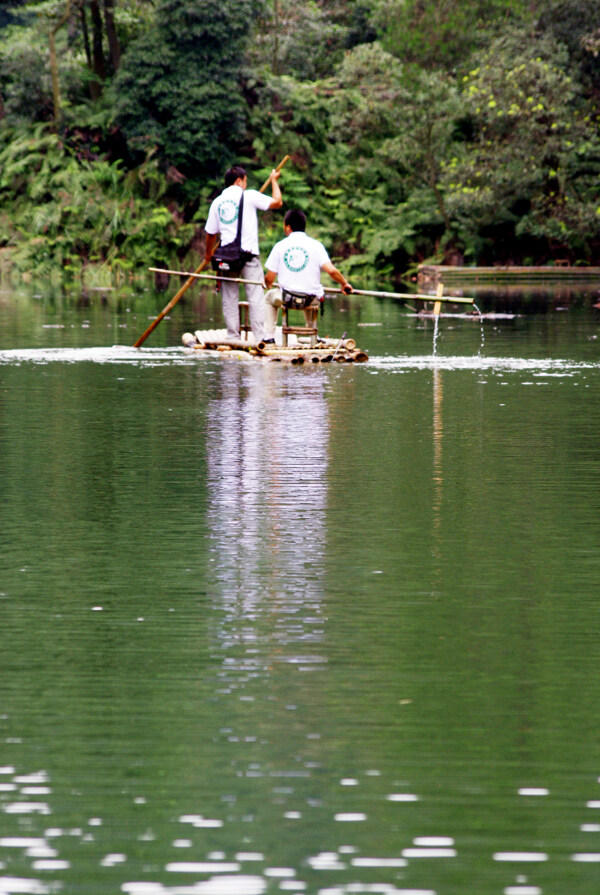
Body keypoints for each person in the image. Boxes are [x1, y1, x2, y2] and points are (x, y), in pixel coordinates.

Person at [204, 165, 282, 342]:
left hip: (226, 258)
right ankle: (261, 337)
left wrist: (208, 254)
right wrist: (274, 181)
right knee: (255, 296)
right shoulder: (250, 196)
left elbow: (211, 234)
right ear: (239, 180)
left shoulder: (217, 202)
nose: (246, 185)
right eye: (245, 181)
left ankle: (233, 336)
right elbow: (278, 202)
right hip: (248, 257)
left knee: (229, 298)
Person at [262, 209, 353, 343]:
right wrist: (344, 284)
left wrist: (267, 284)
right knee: (310, 292)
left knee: (269, 297)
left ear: (288, 227)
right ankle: (313, 335)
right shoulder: (316, 245)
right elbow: (332, 271)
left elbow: (270, 278)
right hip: (310, 299)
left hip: (286, 298)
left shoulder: (280, 246)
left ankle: (269, 336)